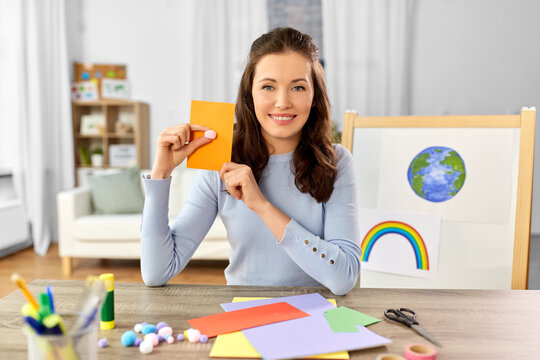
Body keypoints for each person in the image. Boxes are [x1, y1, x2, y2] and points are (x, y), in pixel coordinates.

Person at [141, 27, 361, 295]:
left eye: (298, 87)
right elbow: (156, 272)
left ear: (314, 97)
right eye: (268, 86)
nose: (282, 102)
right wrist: (161, 173)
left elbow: (343, 278)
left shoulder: (336, 161)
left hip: (319, 314)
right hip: (244, 312)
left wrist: (262, 206)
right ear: (250, 94)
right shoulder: (221, 160)